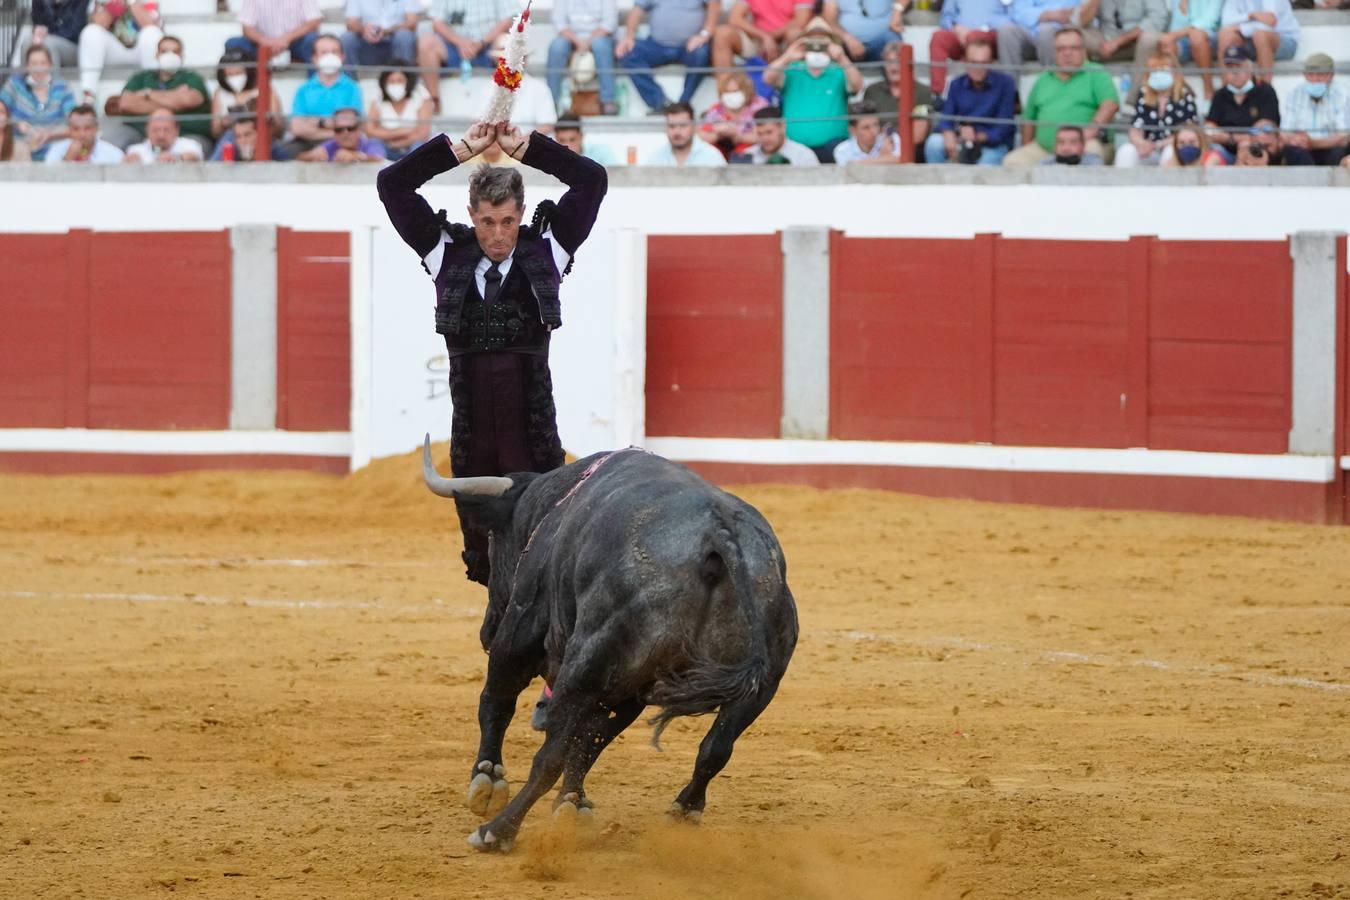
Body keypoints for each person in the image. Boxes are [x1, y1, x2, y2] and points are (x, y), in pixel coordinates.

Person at [375, 121, 608, 587]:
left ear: (521, 213)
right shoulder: (445, 252)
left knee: (543, 545)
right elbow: (392, 183)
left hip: (533, 423)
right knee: (482, 554)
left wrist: (530, 149)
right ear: (471, 214)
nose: (498, 235)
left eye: (507, 222)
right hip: (473, 427)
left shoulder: (549, 249)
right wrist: (460, 150)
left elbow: (592, 180)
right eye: (486, 222)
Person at [1004, 27, 1118, 166]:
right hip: (1044, 149)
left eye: (1073, 48)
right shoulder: (1043, 78)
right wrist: (1027, 145)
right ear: (1054, 53)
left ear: (1084, 51)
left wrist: (1085, 135)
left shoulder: (1096, 73)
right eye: (1061, 49)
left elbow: (1110, 105)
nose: (1067, 53)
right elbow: (1029, 118)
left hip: (1086, 144)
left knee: (1091, 156)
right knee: (1012, 162)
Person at [764, 18, 864, 162]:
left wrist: (842, 58)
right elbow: (767, 78)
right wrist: (787, 56)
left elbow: (858, 85)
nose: (817, 46)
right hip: (795, 147)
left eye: (823, 42)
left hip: (833, 147)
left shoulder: (840, 71)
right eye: (811, 41)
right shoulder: (792, 69)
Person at [923, 37, 1017, 165]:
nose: (978, 68)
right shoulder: (956, 84)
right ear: (965, 61)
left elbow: (1003, 128)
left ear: (991, 62)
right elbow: (946, 118)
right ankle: (937, 185)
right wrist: (949, 134)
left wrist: (977, 136)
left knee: (986, 164)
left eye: (983, 63)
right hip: (962, 138)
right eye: (973, 62)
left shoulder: (1005, 84)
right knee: (934, 144)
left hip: (992, 145)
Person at [111, 34, 212, 152]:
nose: (170, 56)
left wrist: (148, 94)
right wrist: (175, 100)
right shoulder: (141, 77)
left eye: (175, 52)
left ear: (182, 56)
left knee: (191, 152)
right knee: (114, 145)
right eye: (164, 51)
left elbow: (189, 100)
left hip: (186, 134)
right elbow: (125, 103)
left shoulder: (192, 78)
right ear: (157, 55)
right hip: (140, 133)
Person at [616, 0, 722, 113]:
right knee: (627, 52)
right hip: (656, 45)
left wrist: (704, 35)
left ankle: (683, 105)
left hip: (689, 47)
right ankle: (660, 103)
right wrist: (629, 36)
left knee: (702, 53)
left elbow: (714, 5)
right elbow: (637, 10)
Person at [417, 0, 517, 109]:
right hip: (454, 46)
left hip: (489, 46)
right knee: (426, 43)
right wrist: (460, 42)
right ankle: (433, 102)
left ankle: (505, 102)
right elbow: (437, 22)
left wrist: (482, 42)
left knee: (506, 42)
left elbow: (508, 19)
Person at [1114, 50, 1198, 166]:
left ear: (1175, 73)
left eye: (1163, 69)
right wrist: (1140, 143)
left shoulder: (1185, 96)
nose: (1159, 74)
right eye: (1154, 70)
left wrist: (1158, 145)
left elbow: (1188, 131)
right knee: (1127, 151)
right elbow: (1136, 127)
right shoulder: (1143, 95)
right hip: (1148, 151)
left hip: (1171, 147)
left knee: (1170, 151)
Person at [286, 34, 364, 157]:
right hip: (308, 142)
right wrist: (334, 127)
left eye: (334, 52)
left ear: (342, 57)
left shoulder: (352, 88)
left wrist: (317, 122)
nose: (330, 56)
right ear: (314, 58)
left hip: (343, 144)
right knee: (283, 152)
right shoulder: (303, 89)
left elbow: (352, 126)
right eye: (324, 52)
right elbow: (297, 128)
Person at [861, 40, 935, 162]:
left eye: (898, 62)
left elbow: (918, 135)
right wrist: (881, 144)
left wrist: (891, 139)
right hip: (876, 148)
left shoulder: (923, 92)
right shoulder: (872, 91)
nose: (893, 67)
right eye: (889, 62)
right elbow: (864, 127)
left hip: (910, 151)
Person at [0, 45, 77, 161]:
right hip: (20, 149)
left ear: (50, 65)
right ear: (27, 66)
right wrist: (16, 123)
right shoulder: (15, 85)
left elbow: (75, 123)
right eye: (34, 64)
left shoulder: (63, 88)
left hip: (55, 149)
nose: (38, 68)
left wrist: (50, 134)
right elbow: (1, 111)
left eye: (43, 63)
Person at [77, 0, 163, 102]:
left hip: (141, 52)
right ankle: (88, 97)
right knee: (90, 32)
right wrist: (114, 5)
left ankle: (153, 92)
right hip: (112, 52)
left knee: (151, 33)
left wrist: (131, 2)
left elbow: (150, 24)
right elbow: (99, 23)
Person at [1085, 0, 1169, 104]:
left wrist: (1118, 42)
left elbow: (1157, 20)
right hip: (1105, 44)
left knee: (1150, 38)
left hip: (1138, 43)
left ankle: (1133, 101)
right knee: (1075, 36)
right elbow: (1081, 22)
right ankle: (1083, 99)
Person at [547, 0, 621, 115]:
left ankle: (608, 101)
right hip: (571, 38)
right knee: (557, 47)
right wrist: (578, 42)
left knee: (600, 46)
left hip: (600, 37)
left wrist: (588, 41)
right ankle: (551, 102)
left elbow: (609, 23)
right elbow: (559, 22)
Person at [1204, 44, 1278, 158]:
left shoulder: (1265, 91)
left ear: (1250, 68)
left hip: (1258, 150)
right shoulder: (1220, 95)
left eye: (1238, 66)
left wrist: (1229, 138)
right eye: (1229, 67)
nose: (1234, 72)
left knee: (1246, 147)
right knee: (1210, 154)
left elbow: (1265, 133)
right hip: (1224, 151)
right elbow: (1210, 125)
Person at [710, 0, 811, 78]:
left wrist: (771, 38)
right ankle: (727, 91)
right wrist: (764, 37)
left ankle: (795, 87)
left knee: (794, 33)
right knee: (722, 33)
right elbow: (734, 18)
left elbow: (801, 20)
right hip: (759, 40)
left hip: (786, 42)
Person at [1282, 53, 1349, 166]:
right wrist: (1296, 140)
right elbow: (1285, 132)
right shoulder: (1294, 94)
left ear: (1331, 75)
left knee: (1339, 152)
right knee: (1294, 152)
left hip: (1331, 148)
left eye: (1320, 75)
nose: (1315, 79)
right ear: (1304, 75)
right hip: (1302, 149)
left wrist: (1314, 143)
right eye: (1310, 75)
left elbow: (1344, 136)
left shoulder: (1344, 95)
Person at [928, 0, 1008, 95]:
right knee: (938, 37)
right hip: (961, 36)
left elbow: (1014, 15)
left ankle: (1000, 95)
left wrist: (983, 29)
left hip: (992, 35)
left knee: (983, 35)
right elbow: (945, 17)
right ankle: (938, 94)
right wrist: (956, 28)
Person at [366, 61, 433, 161]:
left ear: (408, 81)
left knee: (419, 146)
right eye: (391, 81)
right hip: (387, 148)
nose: (395, 85)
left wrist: (393, 140)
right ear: (384, 83)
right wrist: (404, 130)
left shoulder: (420, 94)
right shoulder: (379, 97)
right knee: (374, 145)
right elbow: (370, 131)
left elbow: (423, 133)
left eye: (400, 80)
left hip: (412, 147)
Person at [210, 49, 283, 141]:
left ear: (248, 72)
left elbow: (279, 127)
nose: (235, 78)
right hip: (231, 139)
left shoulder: (265, 89)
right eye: (230, 74)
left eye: (238, 73)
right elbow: (215, 132)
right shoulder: (220, 93)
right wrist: (223, 123)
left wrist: (259, 120)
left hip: (260, 138)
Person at [999, 0, 1098, 67]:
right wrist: (1047, 15)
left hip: (1063, 28)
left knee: (1045, 31)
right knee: (1006, 30)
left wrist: (1063, 16)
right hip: (1031, 26)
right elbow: (1018, 11)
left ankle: (1050, 83)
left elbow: (1079, 14)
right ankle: (1012, 90)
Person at [224, 0, 322, 66]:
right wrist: (266, 41)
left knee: (314, 42)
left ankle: (315, 88)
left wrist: (286, 38)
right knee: (234, 44)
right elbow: (247, 28)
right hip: (263, 45)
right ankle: (247, 89)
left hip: (295, 43)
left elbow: (314, 22)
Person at [1217, 0, 1298, 78]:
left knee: (1260, 36)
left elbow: (1270, 22)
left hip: (1285, 40)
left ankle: (1265, 89)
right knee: (1225, 35)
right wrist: (1251, 15)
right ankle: (1227, 89)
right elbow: (1226, 22)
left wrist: (1241, 27)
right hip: (1252, 39)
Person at [699, 70, 770, 158]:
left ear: (746, 92)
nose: (731, 95)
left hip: (751, 153)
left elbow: (763, 136)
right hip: (723, 149)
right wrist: (718, 135)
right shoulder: (717, 109)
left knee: (742, 151)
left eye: (735, 91)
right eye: (727, 92)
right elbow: (701, 135)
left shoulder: (759, 106)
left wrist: (739, 137)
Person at [1160, 0, 1223, 98]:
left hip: (1211, 36)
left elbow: (1210, 21)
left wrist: (1177, 34)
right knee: (1166, 44)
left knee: (1196, 37)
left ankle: (1209, 91)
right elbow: (1176, 27)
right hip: (1186, 38)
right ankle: (1178, 91)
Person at [341, 0, 420, 68]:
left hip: (396, 42)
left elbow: (412, 23)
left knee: (404, 37)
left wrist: (386, 31)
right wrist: (364, 30)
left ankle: (405, 81)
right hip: (367, 43)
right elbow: (351, 23)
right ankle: (348, 83)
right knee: (347, 39)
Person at [645, 101, 728, 165]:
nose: (677, 132)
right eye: (672, 126)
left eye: (683, 125)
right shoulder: (656, 158)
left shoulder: (712, 157)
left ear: (694, 127)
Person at [822, 0, 906, 62]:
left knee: (896, 51)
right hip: (847, 43)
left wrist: (897, 11)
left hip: (885, 35)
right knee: (833, 51)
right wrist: (848, 38)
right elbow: (829, 19)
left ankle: (900, 84)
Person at [732, 104, 820, 163]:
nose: (765, 138)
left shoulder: (803, 156)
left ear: (782, 127)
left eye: (769, 132)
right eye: (760, 133)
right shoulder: (747, 155)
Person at [299, 107, 388, 161]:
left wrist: (355, 156)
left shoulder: (372, 144)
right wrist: (311, 156)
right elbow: (300, 157)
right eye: (339, 129)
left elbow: (378, 159)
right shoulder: (331, 145)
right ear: (334, 131)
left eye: (350, 128)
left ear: (359, 129)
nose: (345, 133)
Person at [43, 103, 125, 163]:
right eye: (76, 129)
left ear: (96, 128)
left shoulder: (113, 153)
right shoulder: (56, 150)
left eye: (87, 128)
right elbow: (50, 183)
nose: (82, 134)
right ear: (69, 129)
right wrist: (67, 159)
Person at [24, 0, 89, 69]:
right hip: (46, 39)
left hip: (73, 47)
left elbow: (74, 31)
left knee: (48, 44)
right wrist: (37, 31)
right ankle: (25, 78)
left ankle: (54, 79)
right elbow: (37, 21)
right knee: (27, 43)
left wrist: (47, 33)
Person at [209, 106, 289, 160]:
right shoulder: (233, 150)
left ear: (260, 134)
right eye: (238, 136)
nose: (243, 140)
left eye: (247, 135)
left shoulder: (275, 150)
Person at [124, 107, 203, 162]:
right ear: (147, 130)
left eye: (166, 130)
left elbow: (194, 157)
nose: (161, 135)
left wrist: (176, 159)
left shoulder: (190, 145)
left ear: (176, 130)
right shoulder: (136, 150)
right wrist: (131, 162)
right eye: (156, 130)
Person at [833, 101, 900, 163]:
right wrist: (882, 158)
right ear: (853, 130)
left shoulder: (891, 139)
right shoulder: (842, 150)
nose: (874, 131)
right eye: (866, 127)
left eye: (875, 125)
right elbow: (852, 172)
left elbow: (900, 160)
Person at [1234, 119, 1313, 165]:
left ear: (1279, 141)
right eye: (1258, 146)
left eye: (1266, 146)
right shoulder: (1249, 157)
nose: (1263, 151)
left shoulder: (1298, 155)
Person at [555, 113, 620, 164]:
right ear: (556, 138)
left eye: (572, 140)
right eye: (562, 140)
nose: (567, 146)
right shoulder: (552, 160)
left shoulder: (602, 152)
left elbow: (617, 175)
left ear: (581, 136)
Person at [1161, 122, 1226, 165]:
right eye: (1182, 143)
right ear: (1176, 145)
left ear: (1201, 142)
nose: (1187, 146)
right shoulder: (1173, 162)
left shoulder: (1213, 158)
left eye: (1192, 142)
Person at [1037, 124, 1104, 163]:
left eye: (1073, 143)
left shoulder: (1094, 165)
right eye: (1061, 142)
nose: (1066, 148)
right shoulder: (1045, 164)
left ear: (1083, 145)